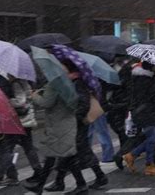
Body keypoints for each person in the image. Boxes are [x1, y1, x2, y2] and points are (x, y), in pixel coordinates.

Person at [45, 59, 108, 192]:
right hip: (75, 124)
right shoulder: (72, 83)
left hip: (76, 124)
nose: (61, 70)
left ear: (71, 70)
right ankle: (96, 177)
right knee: (77, 152)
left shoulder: (78, 83)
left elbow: (83, 104)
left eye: (63, 67)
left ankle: (80, 184)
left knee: (70, 153)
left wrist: (73, 117)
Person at [24, 80, 87, 195]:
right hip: (66, 122)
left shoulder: (53, 84)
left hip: (58, 125)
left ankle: (81, 185)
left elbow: (47, 103)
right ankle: (42, 185)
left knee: (59, 156)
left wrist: (35, 96)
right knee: (59, 156)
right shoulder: (66, 83)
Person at [123, 62, 155, 176]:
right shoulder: (144, 79)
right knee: (153, 138)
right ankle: (149, 165)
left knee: (154, 138)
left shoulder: (143, 77)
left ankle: (132, 155)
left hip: (147, 112)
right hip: (144, 113)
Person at [7, 76, 42, 183]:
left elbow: (20, 101)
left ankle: (11, 176)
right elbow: (28, 97)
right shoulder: (25, 81)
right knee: (28, 146)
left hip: (20, 121)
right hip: (27, 119)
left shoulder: (16, 84)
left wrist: (8, 100)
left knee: (9, 148)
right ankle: (38, 170)